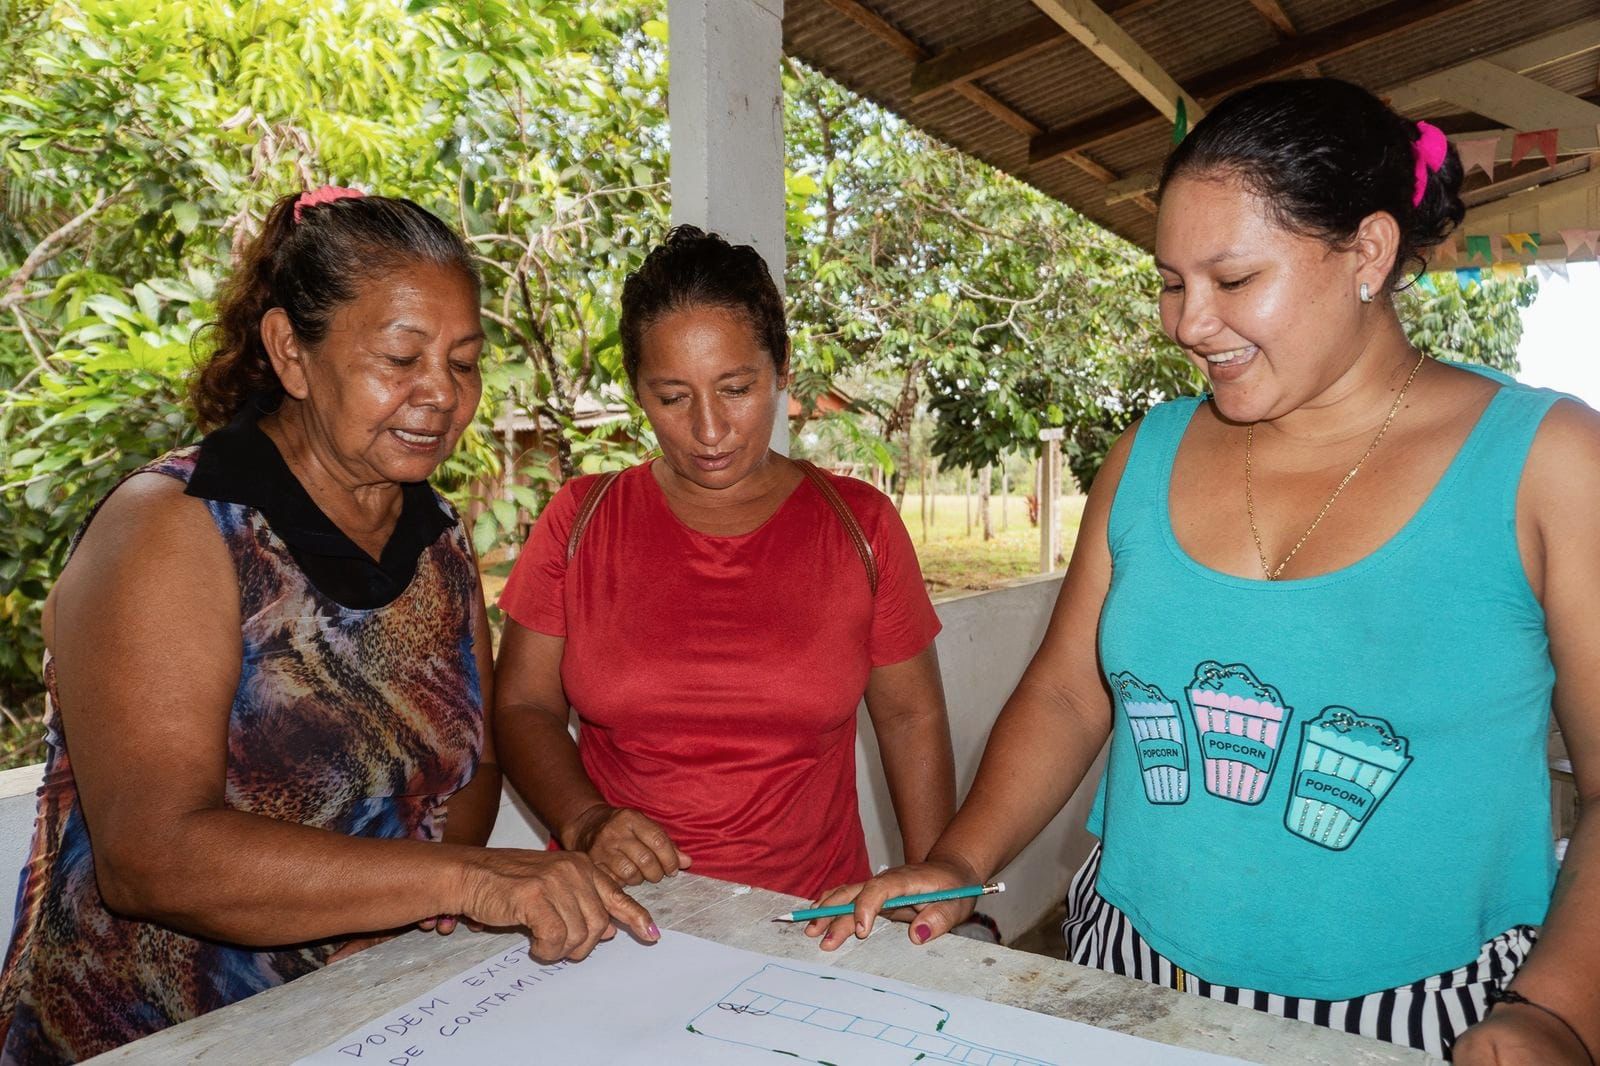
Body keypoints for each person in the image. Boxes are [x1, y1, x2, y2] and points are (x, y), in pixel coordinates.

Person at [806, 80, 1600, 1064]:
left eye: (1230, 280)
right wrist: (960, 859)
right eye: (1171, 281)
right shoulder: (1148, 452)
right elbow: (1067, 691)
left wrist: (1559, 1011)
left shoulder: (1546, 460)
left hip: (1428, 1017)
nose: (1185, 323)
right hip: (1128, 977)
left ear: (1368, 252)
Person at [0, 189, 655, 1064]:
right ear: (291, 354)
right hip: (161, 1038)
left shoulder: (439, 539)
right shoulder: (177, 528)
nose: (442, 396)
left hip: (375, 1022)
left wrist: (413, 931)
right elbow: (150, 855)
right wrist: (465, 881)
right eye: (401, 357)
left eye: (464, 362)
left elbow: (477, 765)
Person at [493, 226, 956, 901]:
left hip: (810, 923)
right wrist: (586, 818)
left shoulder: (860, 526)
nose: (708, 431)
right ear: (637, 391)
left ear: (781, 371)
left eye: (736, 388)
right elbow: (524, 704)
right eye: (673, 398)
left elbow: (912, 717)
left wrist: (934, 896)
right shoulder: (580, 521)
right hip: (616, 919)